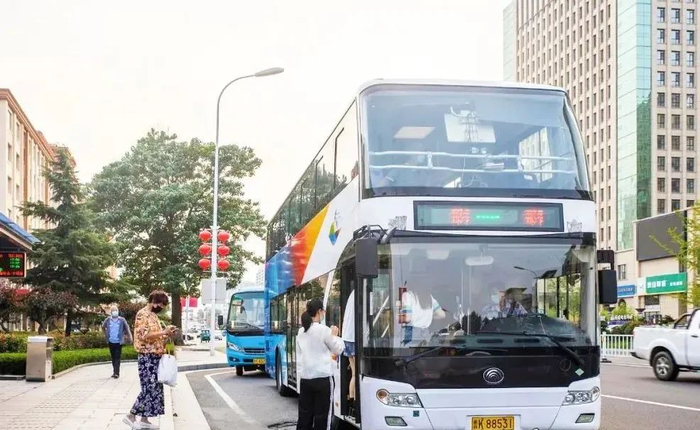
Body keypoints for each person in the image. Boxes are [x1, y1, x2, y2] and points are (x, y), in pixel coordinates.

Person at [123, 290, 177, 430]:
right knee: (149, 388)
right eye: (161, 305)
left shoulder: (153, 315)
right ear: (154, 302)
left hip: (156, 356)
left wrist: (167, 334)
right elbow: (144, 336)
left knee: (155, 389)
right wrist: (163, 332)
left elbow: (156, 336)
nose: (161, 308)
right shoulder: (142, 314)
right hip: (147, 356)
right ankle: (131, 416)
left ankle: (144, 419)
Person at [296, 298, 344, 430]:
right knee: (322, 417)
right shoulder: (324, 330)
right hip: (323, 379)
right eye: (323, 311)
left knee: (304, 417)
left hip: (305, 379)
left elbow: (299, 356)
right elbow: (338, 349)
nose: (323, 314)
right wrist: (335, 335)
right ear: (319, 311)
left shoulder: (301, 331)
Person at [399, 281, 446, 345]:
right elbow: (442, 315)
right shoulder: (429, 296)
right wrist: (427, 316)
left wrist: (396, 317)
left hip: (411, 333)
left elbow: (407, 318)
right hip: (426, 333)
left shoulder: (407, 295)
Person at [101, 305, 133, 379]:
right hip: (111, 341)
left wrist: (130, 337)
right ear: (111, 312)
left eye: (116, 310)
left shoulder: (122, 320)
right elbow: (103, 327)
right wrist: (105, 334)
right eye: (113, 311)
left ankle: (116, 373)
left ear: (118, 311)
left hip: (119, 342)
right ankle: (114, 371)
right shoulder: (108, 320)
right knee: (113, 357)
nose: (115, 312)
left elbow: (127, 328)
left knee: (117, 357)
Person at [341, 290, 356, 413]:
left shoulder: (352, 294)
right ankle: (354, 401)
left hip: (347, 338)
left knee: (354, 373)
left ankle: (352, 399)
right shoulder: (360, 292)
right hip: (353, 338)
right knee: (357, 374)